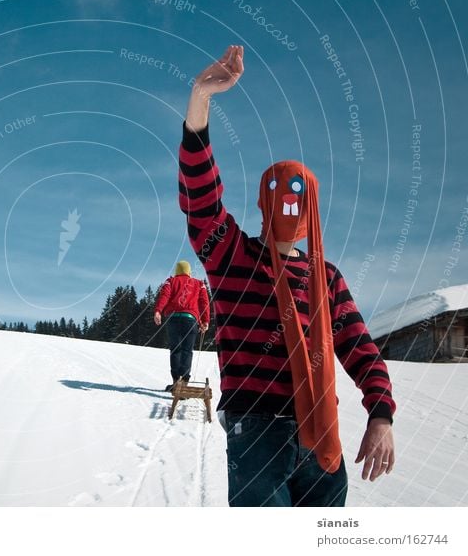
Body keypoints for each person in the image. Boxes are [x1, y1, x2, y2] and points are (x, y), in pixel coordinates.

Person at [178, 45, 395, 507]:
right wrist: (201, 98)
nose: (288, 203)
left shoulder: (326, 280)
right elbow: (201, 199)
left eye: (300, 192)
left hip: (322, 439)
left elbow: (361, 350)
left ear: (312, 207)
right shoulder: (232, 256)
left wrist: (381, 415)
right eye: (278, 190)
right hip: (257, 433)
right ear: (262, 201)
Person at [153, 260, 210, 391]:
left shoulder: (171, 281)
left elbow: (165, 295)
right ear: (189, 271)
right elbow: (204, 302)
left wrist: (158, 311)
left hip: (173, 319)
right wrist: (205, 321)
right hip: (190, 320)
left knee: (175, 350)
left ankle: (175, 382)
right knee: (187, 351)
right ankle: (183, 384)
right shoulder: (199, 284)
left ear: (177, 271)